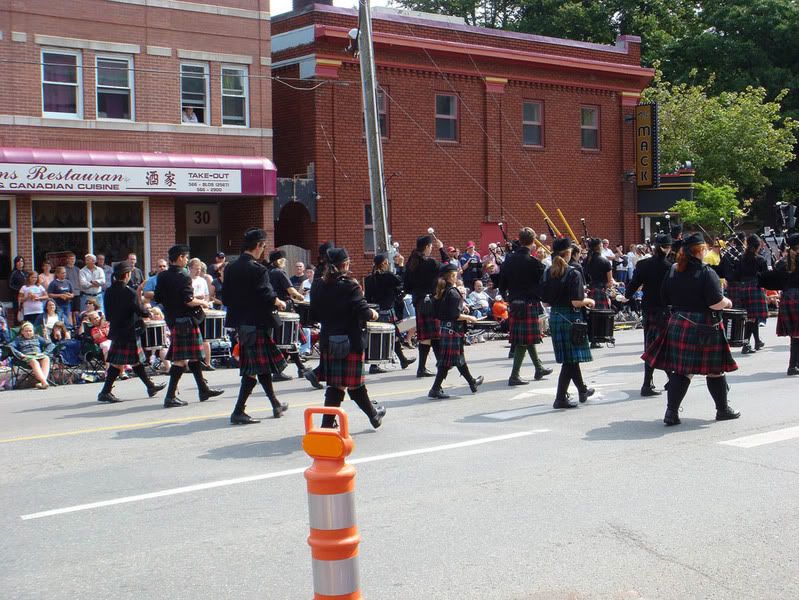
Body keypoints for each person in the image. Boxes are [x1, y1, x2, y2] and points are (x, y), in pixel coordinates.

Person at [643, 233, 740, 426]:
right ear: (701, 250)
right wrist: (727, 302)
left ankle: (671, 413)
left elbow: (664, 298)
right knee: (715, 370)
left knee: (681, 371)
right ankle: (722, 410)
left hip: (679, 322)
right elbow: (715, 302)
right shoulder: (706, 272)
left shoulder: (673, 270)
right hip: (705, 325)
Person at [311, 247, 386, 429]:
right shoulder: (350, 285)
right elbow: (363, 311)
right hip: (350, 342)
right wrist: (374, 314)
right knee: (354, 385)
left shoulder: (318, 284)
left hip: (329, 341)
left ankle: (328, 423)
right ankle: (373, 416)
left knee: (336, 386)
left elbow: (314, 314)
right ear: (345, 264)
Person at [224, 230, 289, 424]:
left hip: (242, 324)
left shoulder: (230, 268)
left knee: (260, 369)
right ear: (259, 245)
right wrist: (279, 302)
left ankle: (275, 404)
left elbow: (226, 298)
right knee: (252, 370)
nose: (263, 250)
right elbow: (266, 294)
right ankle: (238, 411)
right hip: (258, 322)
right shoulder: (258, 269)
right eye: (263, 246)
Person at [154, 244, 223, 408]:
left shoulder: (162, 276)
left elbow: (158, 297)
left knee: (193, 358)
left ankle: (203, 389)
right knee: (180, 362)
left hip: (173, 319)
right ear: (179, 258)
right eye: (185, 257)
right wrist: (203, 302)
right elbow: (188, 300)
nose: (186, 260)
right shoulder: (184, 276)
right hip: (185, 320)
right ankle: (170, 396)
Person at [97, 261, 167, 403]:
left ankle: (150, 386)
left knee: (135, 361)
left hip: (117, 329)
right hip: (129, 330)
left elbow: (109, 314)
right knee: (119, 363)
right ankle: (105, 392)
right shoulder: (130, 292)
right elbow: (139, 310)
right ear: (127, 275)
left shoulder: (109, 291)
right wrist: (149, 313)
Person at [545, 238, 595, 408]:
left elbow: (545, 301)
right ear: (569, 253)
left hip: (555, 317)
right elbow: (576, 301)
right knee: (570, 360)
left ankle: (582, 390)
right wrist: (589, 301)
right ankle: (560, 398)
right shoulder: (573, 273)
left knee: (571, 359)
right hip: (571, 318)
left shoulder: (547, 272)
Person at [499, 227, 553, 386]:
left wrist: (507, 298)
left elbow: (502, 284)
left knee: (527, 339)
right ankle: (514, 376)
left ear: (520, 239)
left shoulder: (508, 260)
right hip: (529, 303)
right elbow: (542, 285)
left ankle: (539, 368)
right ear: (533, 241)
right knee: (524, 340)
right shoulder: (535, 263)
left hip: (514, 303)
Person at [624, 233, 673, 396]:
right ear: (666, 248)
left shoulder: (643, 264)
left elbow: (633, 285)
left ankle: (649, 383)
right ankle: (665, 381)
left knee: (651, 345)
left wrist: (626, 296)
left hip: (648, 308)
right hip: (664, 309)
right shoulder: (670, 266)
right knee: (663, 346)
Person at [427, 263, 484, 398]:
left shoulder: (440, 291)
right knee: (449, 362)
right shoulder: (453, 292)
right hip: (453, 329)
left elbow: (442, 312)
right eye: (456, 274)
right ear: (452, 276)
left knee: (456, 359)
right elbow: (455, 315)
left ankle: (471, 382)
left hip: (446, 329)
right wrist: (470, 317)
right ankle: (435, 389)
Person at [364, 253, 416, 373]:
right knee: (387, 337)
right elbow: (401, 281)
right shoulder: (387, 276)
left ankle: (402, 360)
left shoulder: (369, 279)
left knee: (392, 336)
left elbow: (367, 298)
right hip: (386, 311)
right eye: (386, 262)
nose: (388, 264)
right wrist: (401, 266)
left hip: (375, 311)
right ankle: (374, 366)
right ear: (383, 263)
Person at [403, 234, 447, 377]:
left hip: (418, 301)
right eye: (431, 247)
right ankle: (425, 367)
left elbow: (407, 286)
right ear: (427, 247)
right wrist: (442, 250)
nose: (432, 249)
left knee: (431, 335)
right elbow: (448, 268)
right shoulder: (431, 263)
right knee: (431, 335)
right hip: (431, 302)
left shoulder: (410, 263)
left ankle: (440, 363)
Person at [268, 249, 308, 379]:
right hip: (285, 309)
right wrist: (300, 297)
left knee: (287, 340)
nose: (285, 262)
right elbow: (291, 290)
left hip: (273, 309)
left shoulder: (268, 272)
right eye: (283, 260)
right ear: (279, 260)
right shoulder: (280, 272)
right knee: (289, 339)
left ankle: (300, 368)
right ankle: (279, 371)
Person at [733, 235, 769, 354]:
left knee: (751, 317)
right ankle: (746, 343)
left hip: (743, 287)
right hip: (755, 287)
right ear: (758, 246)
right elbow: (765, 276)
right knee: (752, 318)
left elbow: (736, 276)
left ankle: (757, 341)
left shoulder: (740, 259)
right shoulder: (760, 259)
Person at [775, 233, 799, 376]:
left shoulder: (783, 262)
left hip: (787, 296)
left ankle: (794, 364)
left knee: (795, 334)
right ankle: (792, 365)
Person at [188, 257, 214, 371]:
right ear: (190, 268)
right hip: (190, 311)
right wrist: (198, 298)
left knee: (205, 338)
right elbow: (188, 298)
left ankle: (207, 363)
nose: (198, 271)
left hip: (201, 310)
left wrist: (205, 303)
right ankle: (191, 364)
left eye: (199, 269)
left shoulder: (203, 280)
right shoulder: (187, 280)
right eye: (196, 269)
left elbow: (207, 295)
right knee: (191, 339)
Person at [11, 321, 51, 389]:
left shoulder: (37, 337)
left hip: (39, 355)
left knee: (46, 358)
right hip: (27, 356)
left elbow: (50, 344)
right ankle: (44, 382)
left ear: (33, 331)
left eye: (30, 331)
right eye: (26, 331)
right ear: (22, 332)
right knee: (34, 361)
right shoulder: (18, 339)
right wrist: (19, 354)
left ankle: (42, 382)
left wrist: (45, 353)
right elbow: (10, 346)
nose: (28, 333)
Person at [64, 253, 82, 324]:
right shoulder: (64, 270)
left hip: (77, 293)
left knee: (76, 311)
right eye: (70, 259)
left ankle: (77, 325)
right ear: (67, 260)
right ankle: (70, 325)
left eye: (73, 259)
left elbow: (80, 281)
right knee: (70, 311)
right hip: (68, 294)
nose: (72, 261)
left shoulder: (77, 270)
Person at [9, 256, 28, 323]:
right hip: (17, 296)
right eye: (18, 261)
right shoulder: (13, 273)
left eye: (22, 261)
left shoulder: (25, 273)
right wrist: (20, 290)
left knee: (26, 313)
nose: (20, 263)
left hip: (26, 297)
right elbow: (10, 285)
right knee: (18, 313)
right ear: (16, 263)